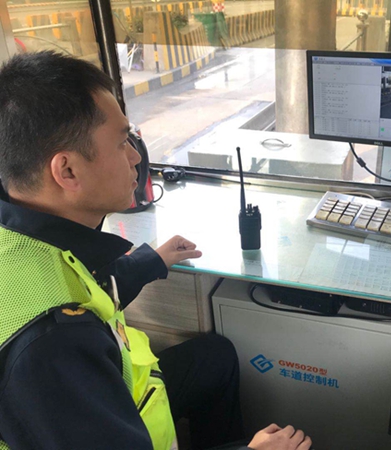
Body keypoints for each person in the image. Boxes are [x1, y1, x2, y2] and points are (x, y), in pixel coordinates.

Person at [0, 51, 312, 450]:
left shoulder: (27, 235)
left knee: (215, 357)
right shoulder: (53, 349)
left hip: (124, 390)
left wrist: (152, 261)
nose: (135, 157)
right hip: (117, 416)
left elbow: (89, 285)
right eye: (121, 143)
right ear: (68, 171)